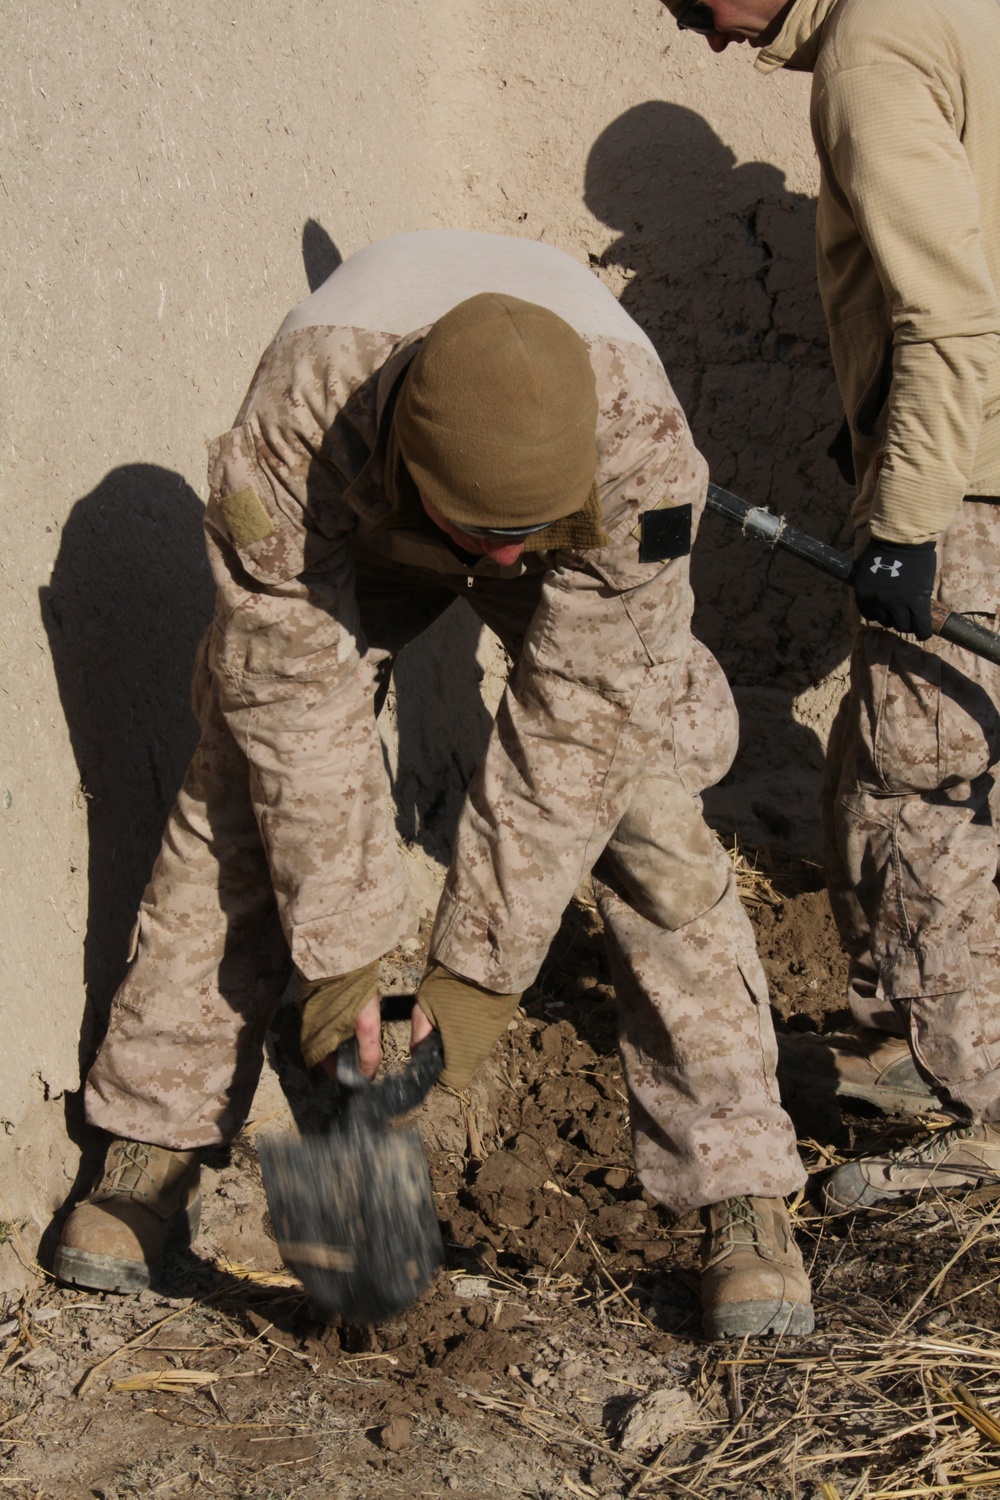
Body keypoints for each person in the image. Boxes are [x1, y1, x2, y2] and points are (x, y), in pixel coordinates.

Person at [55, 229, 811, 1338]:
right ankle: (147, 1148)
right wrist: (346, 987)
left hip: (583, 545)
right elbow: (297, 725)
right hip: (361, 527)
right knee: (241, 776)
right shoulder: (294, 430)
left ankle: (741, 1193)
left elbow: (577, 732)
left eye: (518, 539)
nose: (493, 568)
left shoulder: (644, 457)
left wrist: (469, 992)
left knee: (643, 803)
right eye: (481, 537)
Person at [662, 0, 1000, 1208]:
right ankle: (910, 1043)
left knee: (921, 785)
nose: (699, 31)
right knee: (875, 763)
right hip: (968, 460)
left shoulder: (871, 50)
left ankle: (974, 1114)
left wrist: (907, 524)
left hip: (967, 476)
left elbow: (950, 312)